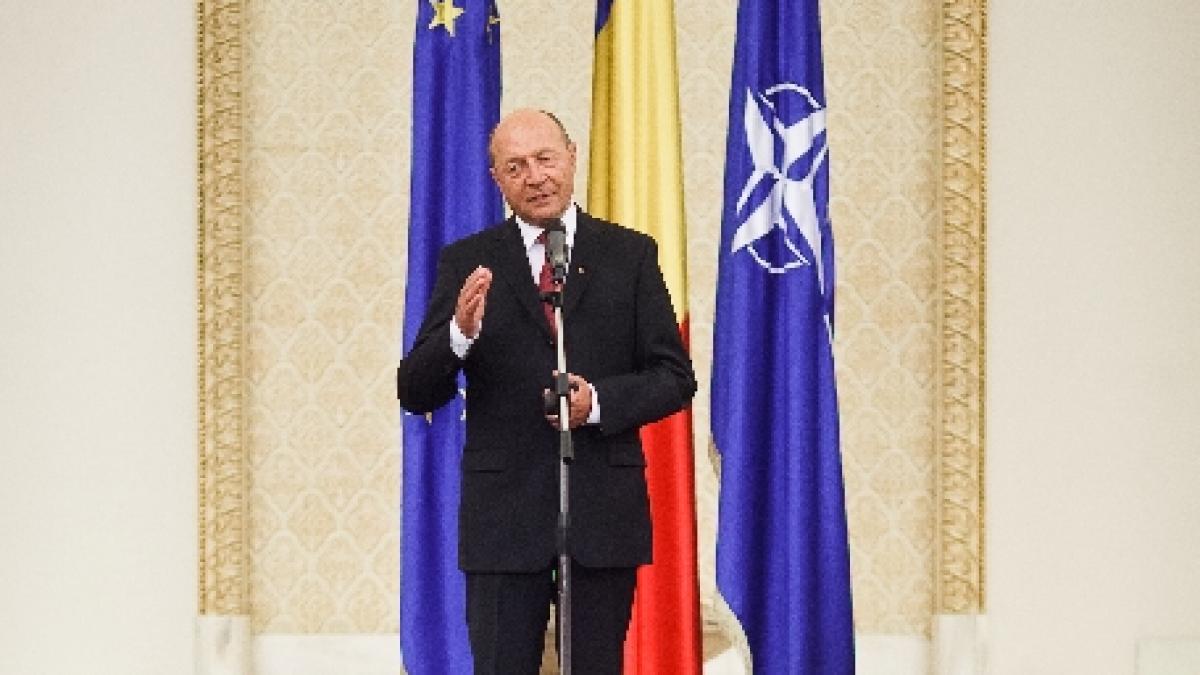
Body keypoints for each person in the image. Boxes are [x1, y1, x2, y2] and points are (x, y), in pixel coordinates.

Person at [397, 108, 696, 674]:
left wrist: (596, 403)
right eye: (515, 167)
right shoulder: (468, 262)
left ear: (572, 157)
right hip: (504, 518)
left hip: (600, 513)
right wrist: (459, 334)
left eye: (545, 159)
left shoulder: (629, 255)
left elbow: (674, 377)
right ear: (496, 179)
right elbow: (415, 390)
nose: (534, 177)